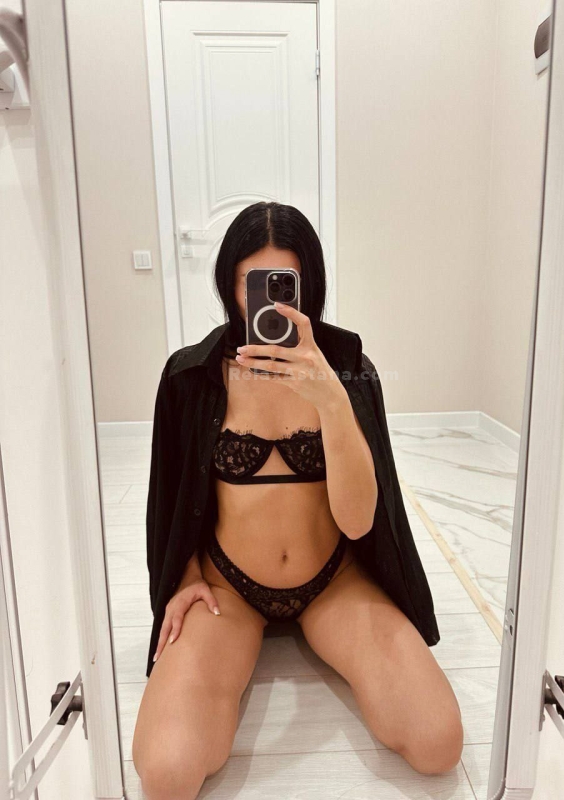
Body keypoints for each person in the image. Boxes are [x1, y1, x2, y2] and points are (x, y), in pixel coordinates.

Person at [132, 202, 463, 800]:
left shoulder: (350, 372)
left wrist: (330, 397)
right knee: (168, 773)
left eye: (286, 285)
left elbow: (360, 521)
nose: (271, 303)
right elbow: (169, 501)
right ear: (229, 286)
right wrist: (184, 577)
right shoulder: (190, 377)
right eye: (253, 284)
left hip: (335, 581)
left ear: (309, 286)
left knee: (438, 743)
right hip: (228, 590)